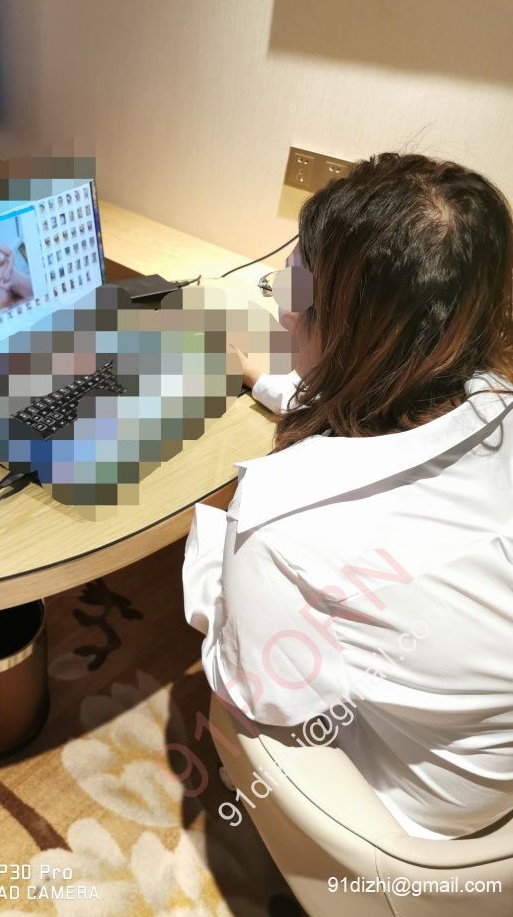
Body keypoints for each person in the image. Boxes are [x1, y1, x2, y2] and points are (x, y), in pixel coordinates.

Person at [183, 152, 513, 840]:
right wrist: (270, 382)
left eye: (295, 285)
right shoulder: (494, 399)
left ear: (349, 326)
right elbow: (393, 421)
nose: (281, 307)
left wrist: (213, 558)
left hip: (423, 807)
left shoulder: (283, 523)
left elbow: (259, 692)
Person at [0, 240, 33, 314]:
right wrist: (1, 284)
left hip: (18, 281)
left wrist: (9, 270)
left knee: (35, 295)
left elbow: (11, 254)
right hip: (7, 289)